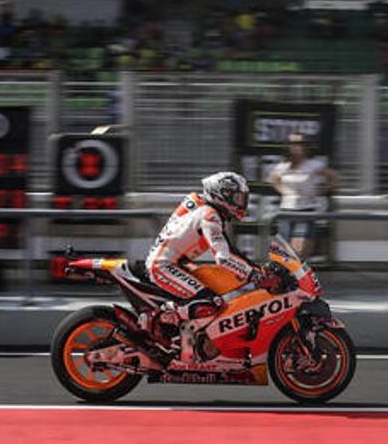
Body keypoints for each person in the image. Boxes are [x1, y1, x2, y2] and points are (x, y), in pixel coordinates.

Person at [145, 172, 262, 318]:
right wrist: (254, 275)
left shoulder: (205, 209)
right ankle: (161, 315)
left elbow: (229, 249)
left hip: (176, 264)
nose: (241, 203)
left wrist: (258, 269)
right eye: (237, 198)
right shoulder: (209, 216)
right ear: (221, 195)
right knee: (208, 304)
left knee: (213, 291)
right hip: (163, 266)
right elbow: (223, 258)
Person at [267, 132, 339, 259]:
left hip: (306, 212)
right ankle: (289, 278)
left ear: (306, 146)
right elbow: (272, 179)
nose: (297, 146)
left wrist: (321, 191)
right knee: (285, 252)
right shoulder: (283, 166)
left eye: (301, 143)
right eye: (293, 143)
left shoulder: (313, 165)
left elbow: (334, 177)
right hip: (286, 212)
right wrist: (284, 191)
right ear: (288, 146)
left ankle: (299, 276)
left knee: (299, 250)